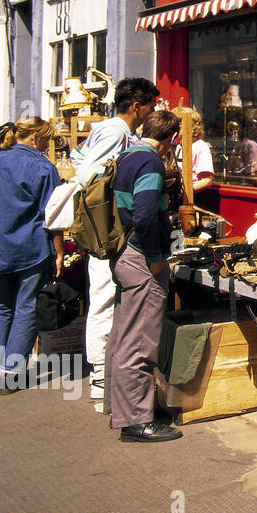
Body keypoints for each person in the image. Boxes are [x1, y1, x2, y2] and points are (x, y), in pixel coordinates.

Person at [69, 77, 160, 403]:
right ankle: (99, 378)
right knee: (106, 301)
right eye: (151, 105)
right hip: (108, 229)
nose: (153, 111)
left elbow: (77, 156)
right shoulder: (115, 131)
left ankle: (103, 375)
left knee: (107, 300)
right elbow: (86, 173)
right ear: (138, 106)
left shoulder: (109, 128)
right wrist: (116, 190)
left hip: (108, 227)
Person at [106, 108, 184, 442]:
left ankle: (122, 408)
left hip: (125, 252)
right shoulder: (151, 162)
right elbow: (147, 215)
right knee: (140, 340)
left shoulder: (126, 155)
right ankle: (136, 421)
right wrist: (155, 258)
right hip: (141, 256)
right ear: (171, 139)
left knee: (123, 335)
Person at [0, 118, 64, 394]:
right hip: (30, 248)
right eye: (46, 140)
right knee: (26, 307)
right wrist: (59, 252)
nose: (47, 145)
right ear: (36, 138)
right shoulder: (43, 167)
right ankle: (11, 373)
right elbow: (53, 216)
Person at [171, 107, 215, 194]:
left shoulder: (200, 146)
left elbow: (207, 180)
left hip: (191, 197)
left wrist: (183, 193)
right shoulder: (179, 145)